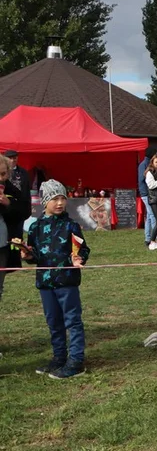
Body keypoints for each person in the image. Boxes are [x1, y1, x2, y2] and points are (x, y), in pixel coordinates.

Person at [15, 179, 90, 379]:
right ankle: (59, 358)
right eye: (54, 198)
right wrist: (28, 255)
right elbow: (36, 255)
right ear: (44, 201)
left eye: (62, 198)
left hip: (67, 282)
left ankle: (76, 361)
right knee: (53, 322)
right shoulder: (34, 228)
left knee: (72, 321)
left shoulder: (71, 226)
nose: (59, 203)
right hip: (45, 283)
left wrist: (78, 257)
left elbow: (82, 248)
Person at [0, 154, 31, 305]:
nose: (1, 177)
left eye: (4, 174)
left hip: (2, 246)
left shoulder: (10, 188)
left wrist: (8, 204)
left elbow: (24, 210)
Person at [137, 147, 157, 248]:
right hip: (146, 193)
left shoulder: (146, 163)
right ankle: (154, 239)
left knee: (150, 217)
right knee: (153, 216)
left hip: (147, 193)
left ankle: (147, 238)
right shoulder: (144, 165)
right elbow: (142, 178)